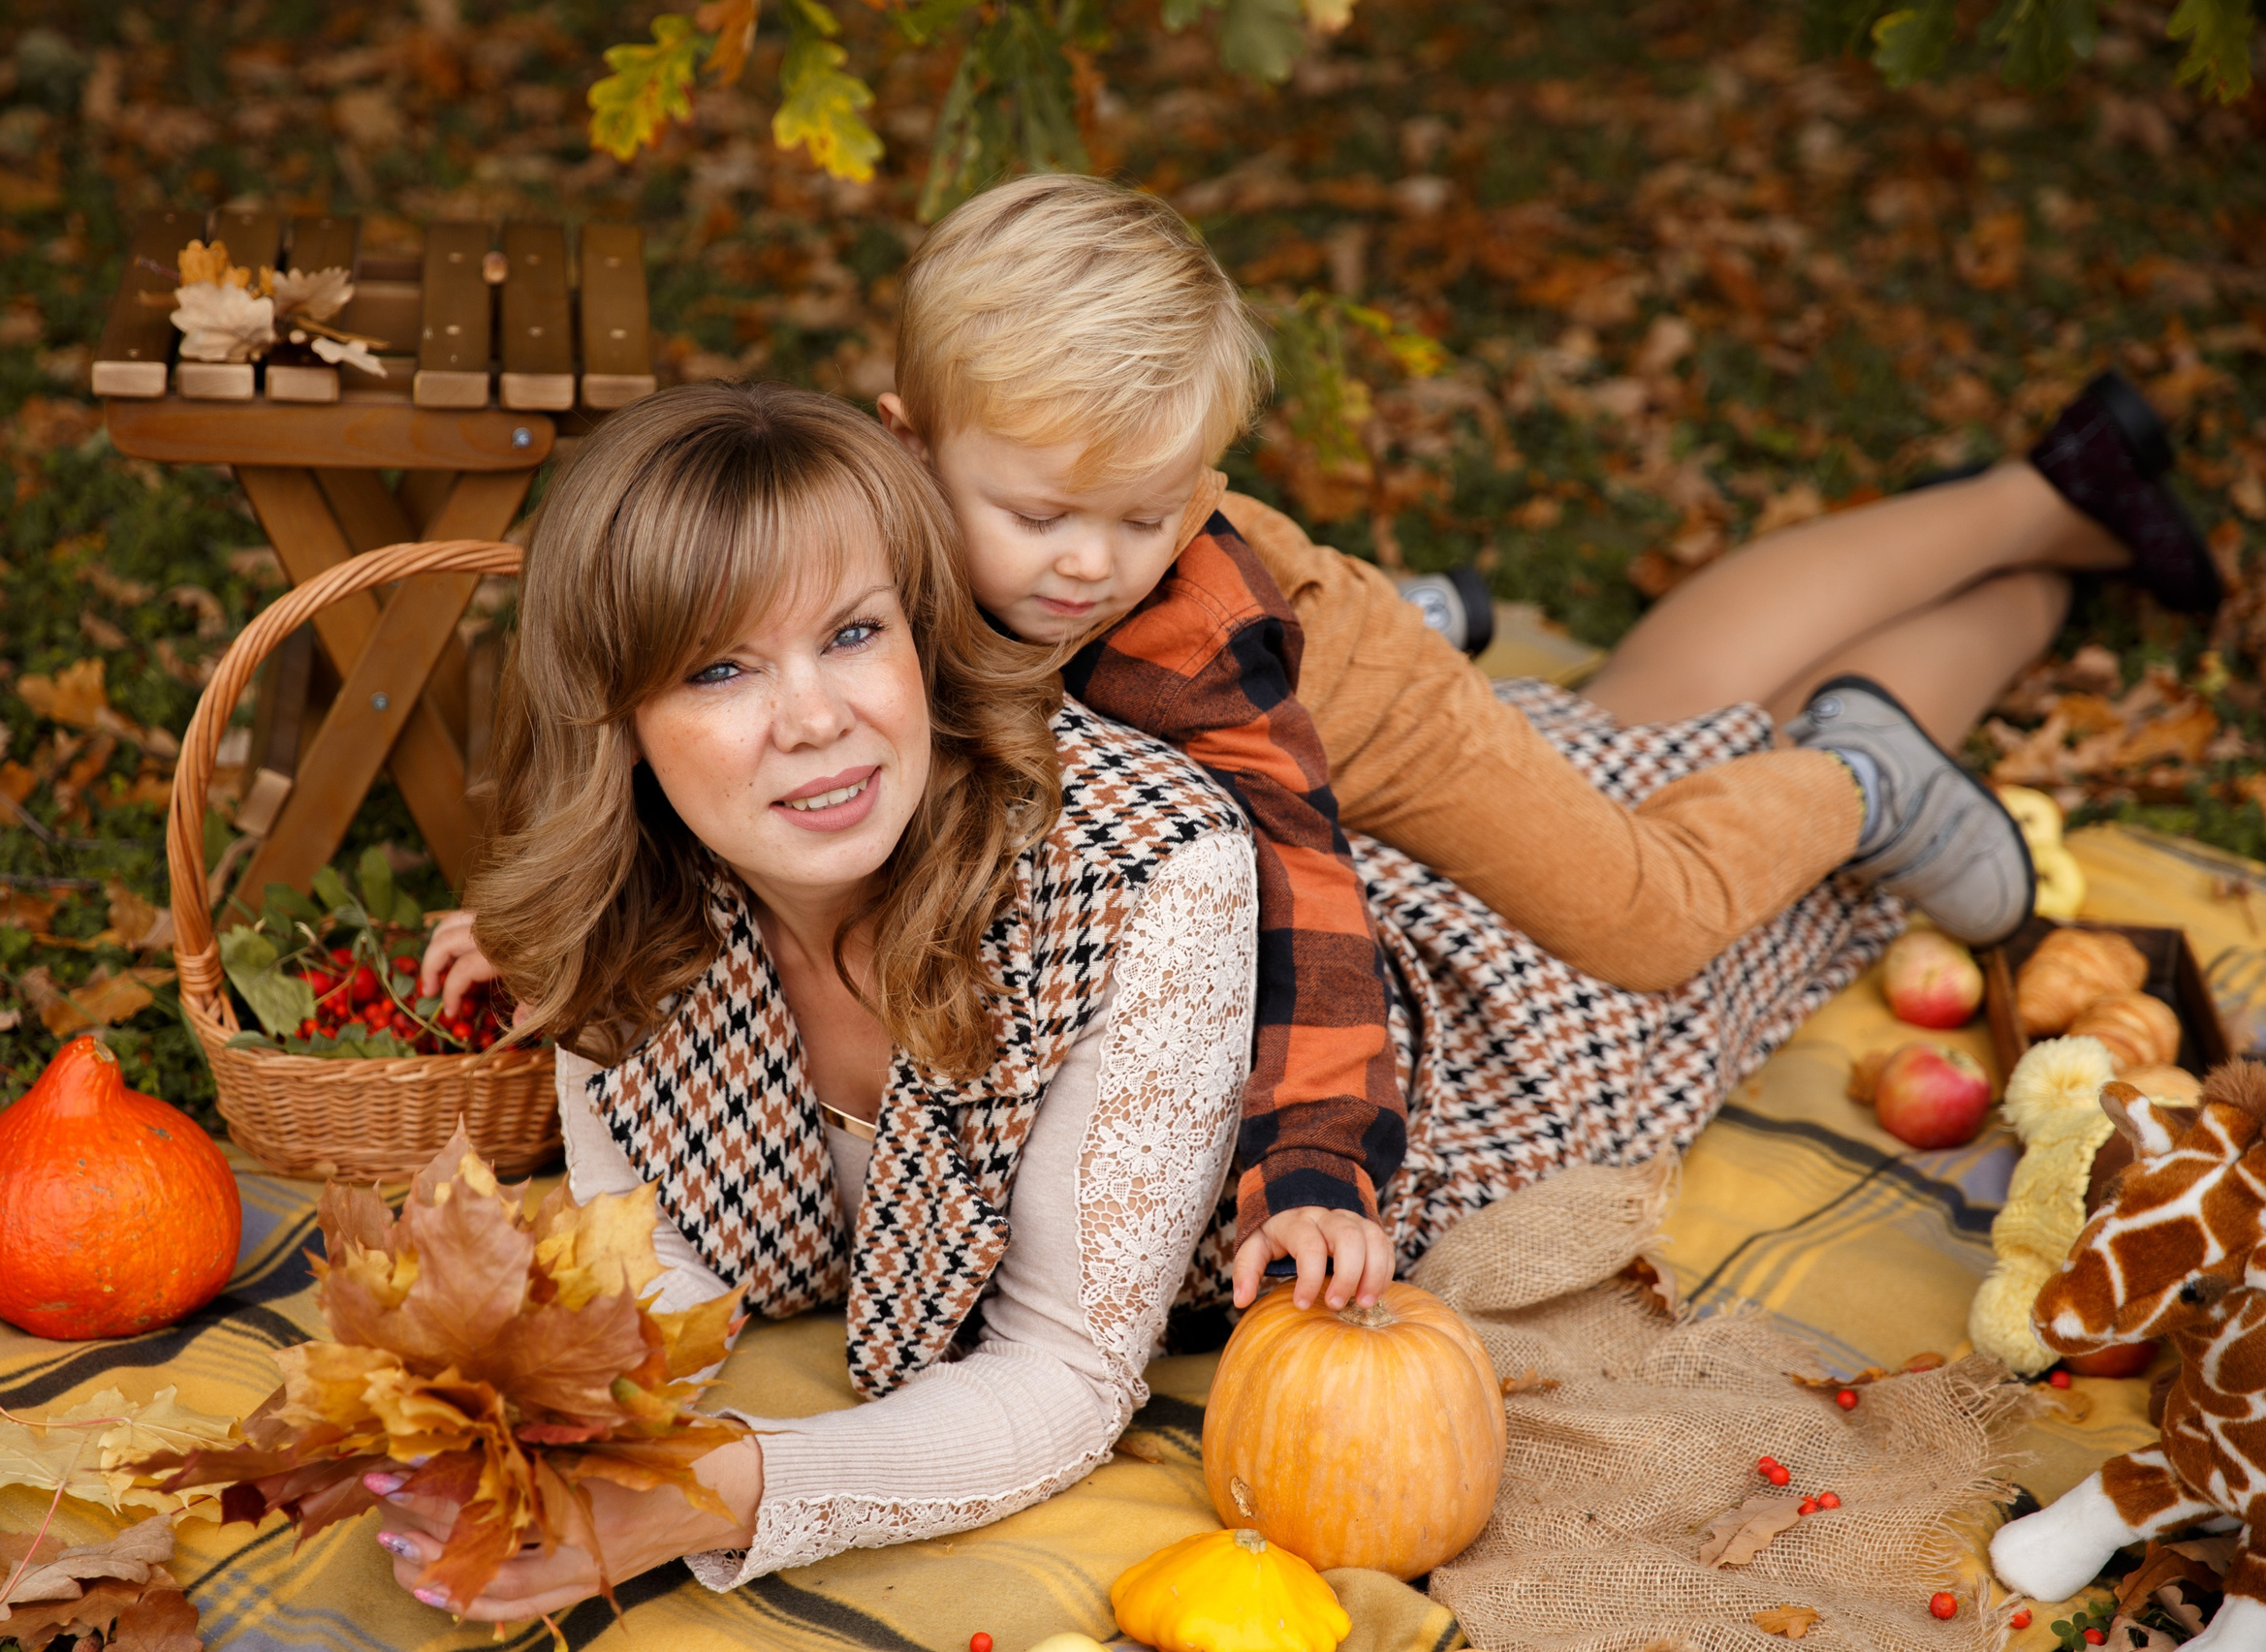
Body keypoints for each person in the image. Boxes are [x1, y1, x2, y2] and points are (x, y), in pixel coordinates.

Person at [871, 171, 2217, 1312]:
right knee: (1648, 710)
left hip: (1332, 694)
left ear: (1200, 481)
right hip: (1242, 663)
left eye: (1148, 513)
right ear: (908, 446)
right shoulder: (865, 511)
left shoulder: (1188, 626)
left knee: (1646, 907)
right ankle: (2057, 497)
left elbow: (1303, 898)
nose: (1090, 561)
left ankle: (1857, 770)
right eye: (1045, 513)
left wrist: (1318, 1162)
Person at [393, 381, 1263, 1617]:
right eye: (720, 668)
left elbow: (1065, 1369)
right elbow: (666, 1261)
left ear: (919, 633)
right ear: (619, 722)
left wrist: (706, 1490)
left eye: (854, 634)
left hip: (1484, 1040)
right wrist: (549, 1428)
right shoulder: (634, 904)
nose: (815, 720)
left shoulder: (1148, 879)